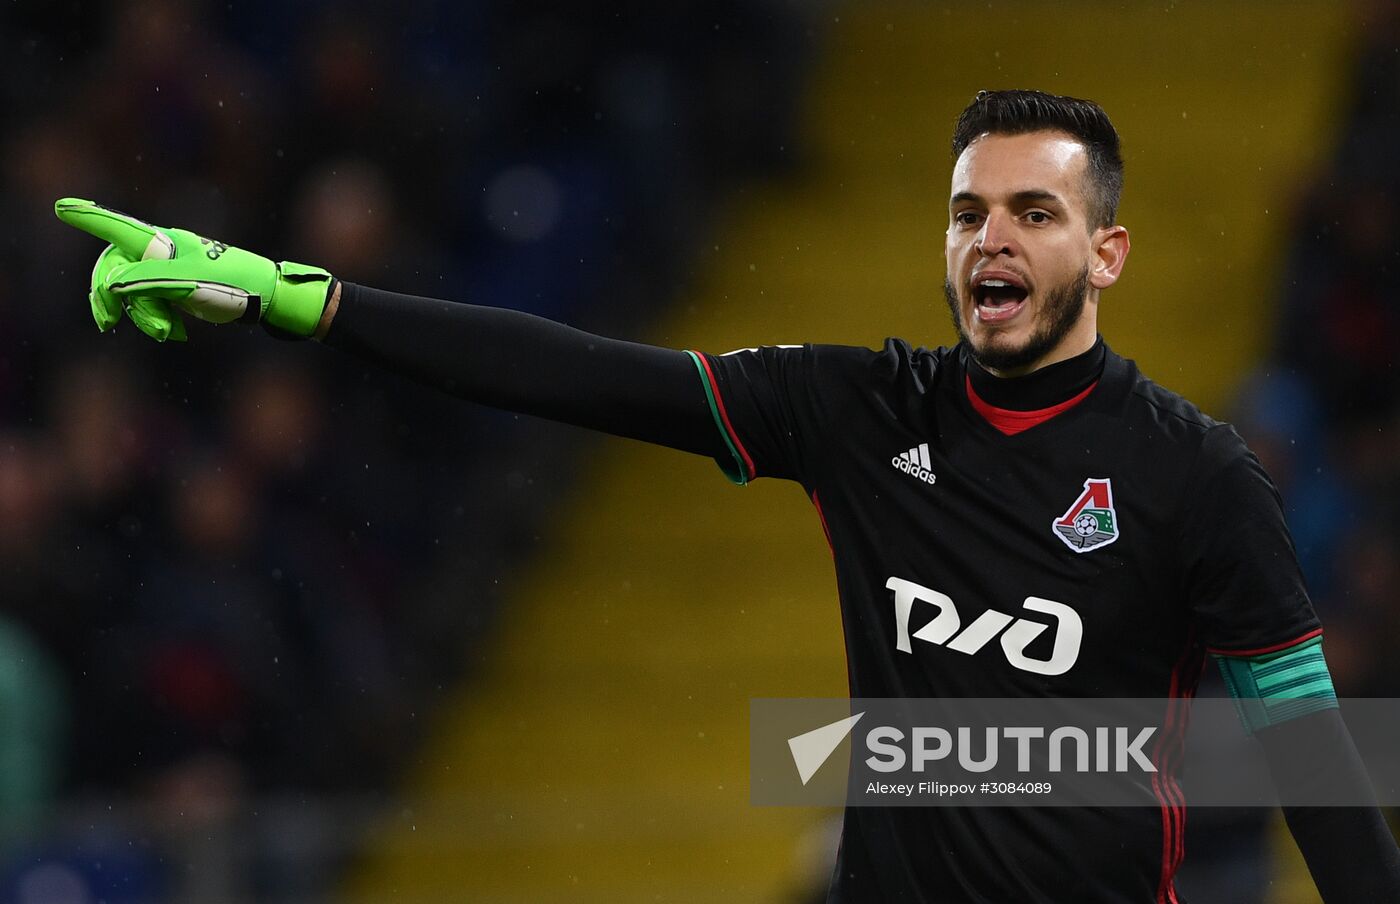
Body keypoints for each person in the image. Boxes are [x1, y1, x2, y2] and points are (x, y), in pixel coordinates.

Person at [55, 90, 1400, 902]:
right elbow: (577, 377)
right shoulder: (860, 411)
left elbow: (1312, 758)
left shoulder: (1195, 474)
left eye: (1034, 214)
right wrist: (296, 297)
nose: (991, 237)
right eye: (968, 210)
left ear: (1105, 252)